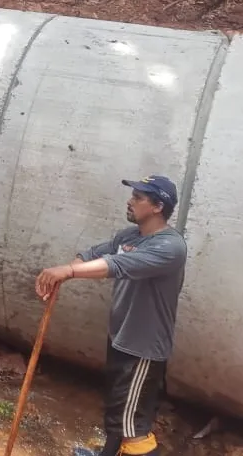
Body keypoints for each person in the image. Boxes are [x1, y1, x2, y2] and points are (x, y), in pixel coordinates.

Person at [35, 175, 187, 456]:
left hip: (142, 349)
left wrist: (67, 271)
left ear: (157, 207)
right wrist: (66, 272)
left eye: (138, 197)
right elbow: (94, 254)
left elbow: (115, 264)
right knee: (119, 414)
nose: (130, 201)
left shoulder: (169, 248)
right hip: (121, 338)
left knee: (134, 429)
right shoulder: (129, 237)